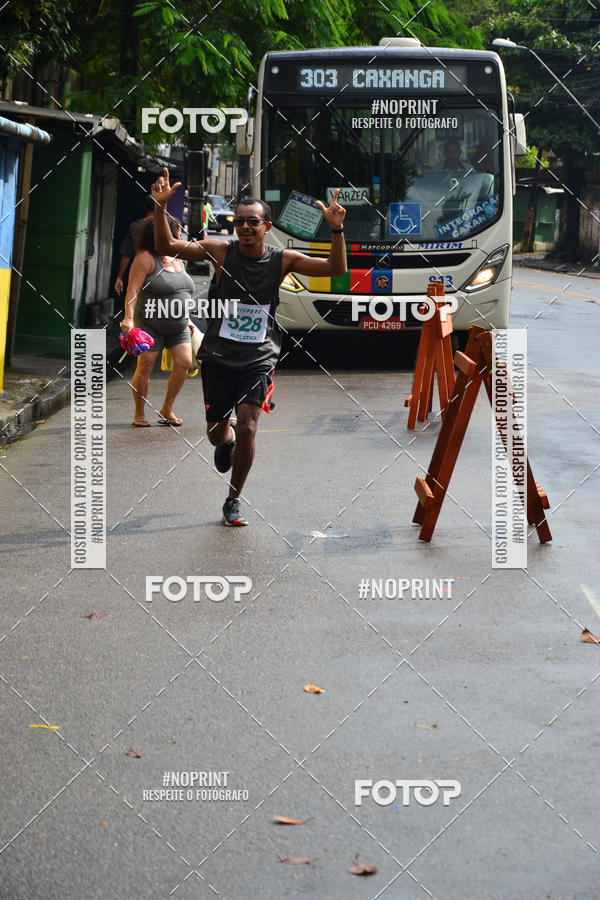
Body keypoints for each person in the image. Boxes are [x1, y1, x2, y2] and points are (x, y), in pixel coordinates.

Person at [151, 167, 347, 526]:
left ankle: (233, 499)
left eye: (253, 222)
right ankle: (224, 441)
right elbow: (166, 247)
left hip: (259, 357)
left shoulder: (282, 259)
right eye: (239, 221)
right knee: (216, 433)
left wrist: (336, 229)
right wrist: (160, 207)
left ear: (266, 227)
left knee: (249, 425)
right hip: (219, 357)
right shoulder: (220, 252)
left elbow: (335, 268)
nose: (245, 227)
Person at [119, 216, 193, 427]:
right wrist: (128, 318)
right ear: (161, 235)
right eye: (175, 234)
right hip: (150, 325)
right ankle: (139, 413)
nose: (178, 238)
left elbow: (182, 292)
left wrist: (189, 319)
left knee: (184, 363)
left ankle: (167, 409)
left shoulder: (178, 258)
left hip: (179, 326)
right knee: (145, 366)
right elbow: (132, 291)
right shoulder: (145, 258)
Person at [114, 194, 155, 296]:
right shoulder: (165, 228)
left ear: (145, 207)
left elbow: (126, 254)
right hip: (158, 273)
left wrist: (119, 277)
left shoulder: (135, 227)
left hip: (138, 271)